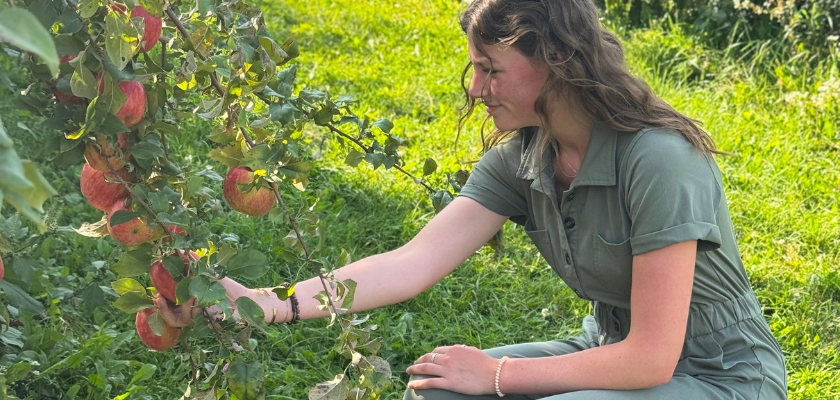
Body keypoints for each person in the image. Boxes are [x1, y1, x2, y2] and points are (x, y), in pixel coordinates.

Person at [159, 0, 788, 398]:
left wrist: (498, 375)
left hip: (720, 374)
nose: (477, 90)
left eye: (491, 68)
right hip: (607, 348)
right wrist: (265, 305)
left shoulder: (659, 159)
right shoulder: (526, 156)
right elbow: (410, 263)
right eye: (475, 69)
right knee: (435, 391)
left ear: (559, 60)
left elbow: (652, 358)